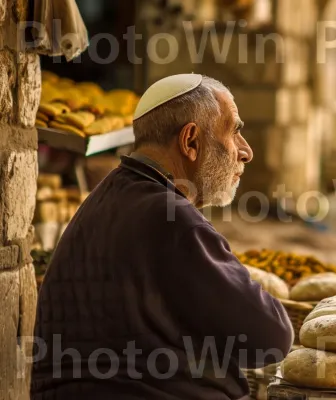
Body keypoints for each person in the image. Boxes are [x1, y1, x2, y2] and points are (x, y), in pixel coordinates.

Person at [30, 74, 294, 399]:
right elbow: (271, 338)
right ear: (190, 142)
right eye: (234, 131)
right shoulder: (171, 218)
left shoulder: (109, 196)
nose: (246, 151)